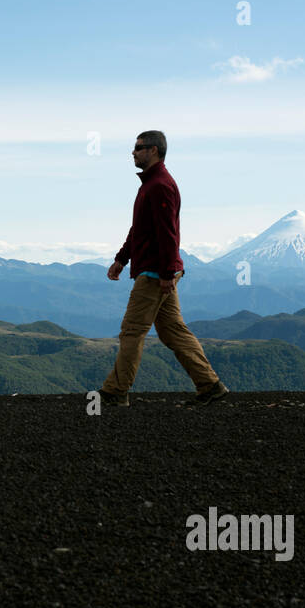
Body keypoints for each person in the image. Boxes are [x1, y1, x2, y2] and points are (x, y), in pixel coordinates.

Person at [99, 130, 229, 407]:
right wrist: (122, 259)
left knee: (132, 331)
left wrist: (167, 273)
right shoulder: (150, 185)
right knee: (173, 331)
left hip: (155, 273)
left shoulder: (159, 186)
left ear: (154, 150)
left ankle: (115, 392)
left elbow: (167, 233)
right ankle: (211, 386)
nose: (133, 152)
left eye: (138, 147)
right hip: (159, 271)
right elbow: (140, 230)